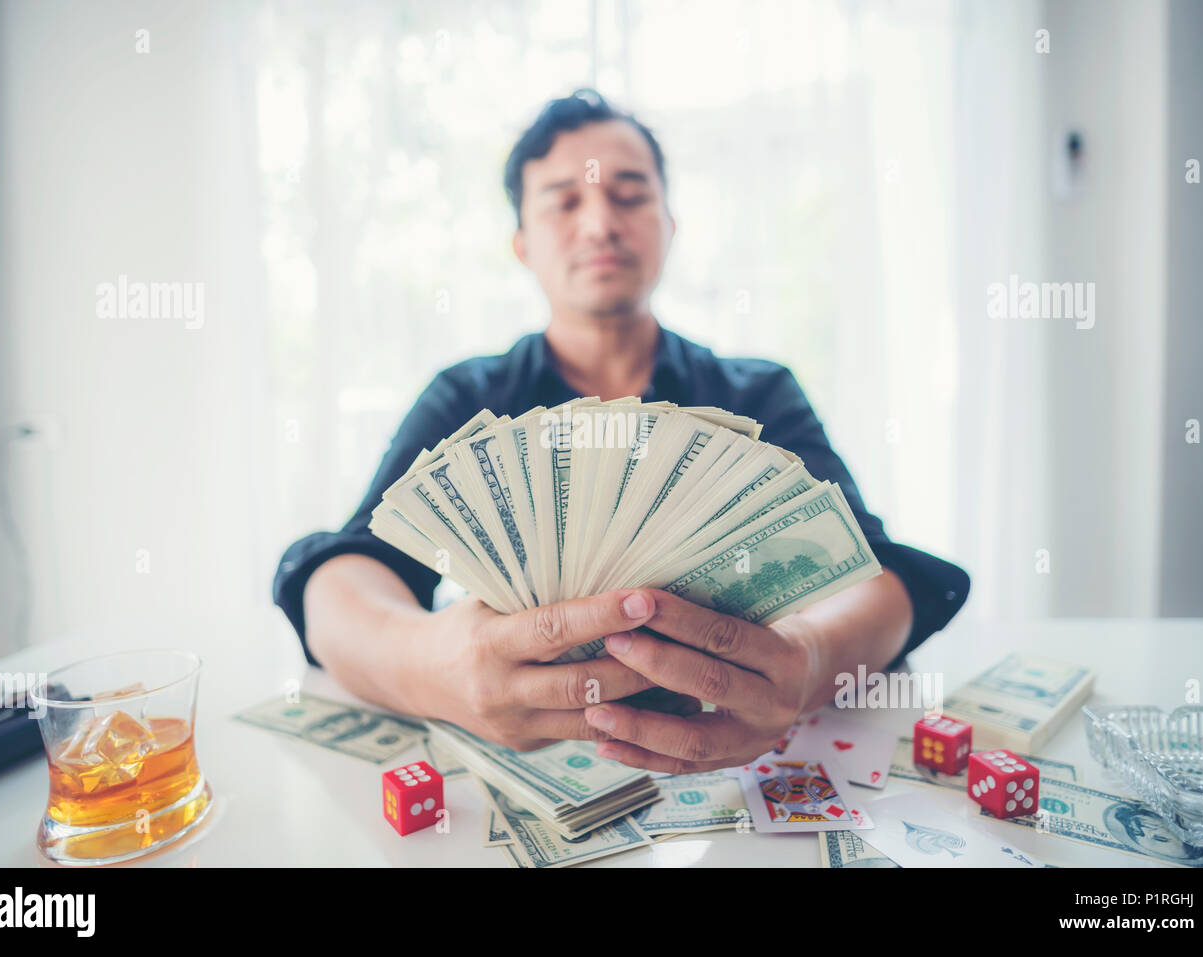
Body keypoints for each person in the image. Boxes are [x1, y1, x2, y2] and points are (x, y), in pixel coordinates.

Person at [273, 89, 970, 775]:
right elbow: (343, 578)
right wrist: (433, 667)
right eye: (564, 201)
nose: (601, 223)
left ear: (670, 224)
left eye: (630, 194)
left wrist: (810, 661)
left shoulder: (756, 394)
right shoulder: (469, 399)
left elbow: (876, 574)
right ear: (522, 244)